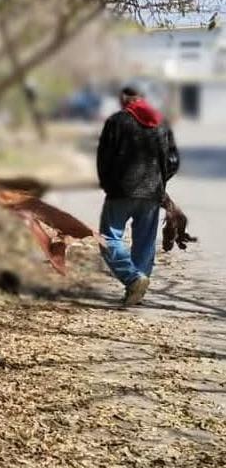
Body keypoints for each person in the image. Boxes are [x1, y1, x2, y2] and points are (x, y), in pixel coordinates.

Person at [97, 84, 179, 306]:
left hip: (120, 192)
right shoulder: (161, 122)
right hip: (152, 194)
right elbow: (173, 161)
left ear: (123, 99)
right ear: (143, 98)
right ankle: (137, 288)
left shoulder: (116, 122)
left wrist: (108, 184)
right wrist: (160, 184)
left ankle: (134, 280)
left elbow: (104, 159)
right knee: (144, 243)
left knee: (108, 238)